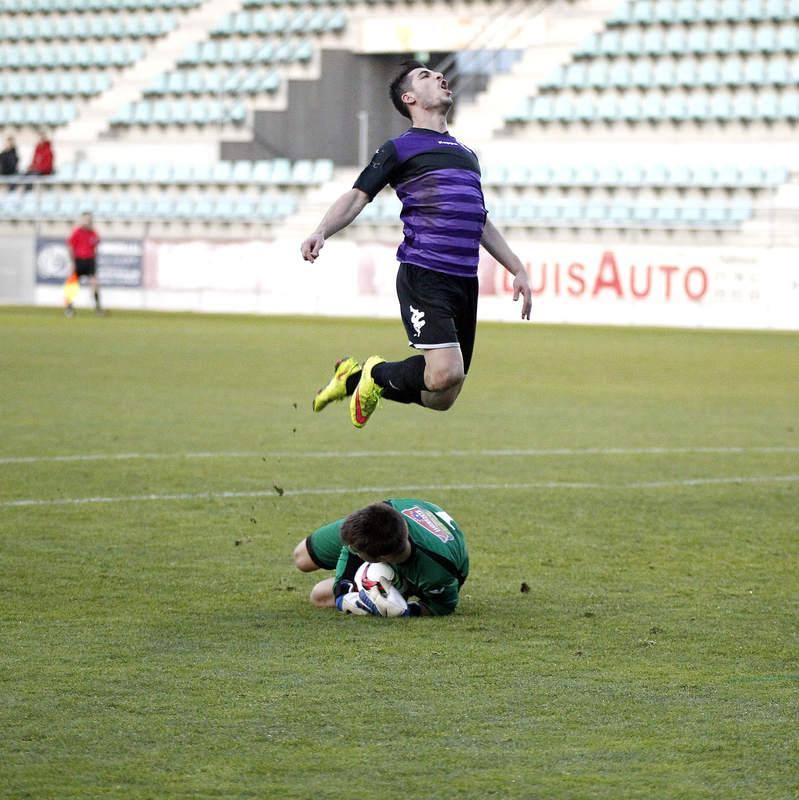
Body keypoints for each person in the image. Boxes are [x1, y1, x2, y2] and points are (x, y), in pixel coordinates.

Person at [301, 60, 532, 429]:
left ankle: (355, 378)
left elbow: (479, 219)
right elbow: (357, 197)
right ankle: (374, 376)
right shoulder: (398, 148)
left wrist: (517, 267)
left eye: (436, 73)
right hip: (425, 272)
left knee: (441, 397)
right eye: (426, 76)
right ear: (409, 98)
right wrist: (321, 231)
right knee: (445, 373)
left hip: (463, 281)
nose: (440, 76)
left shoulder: (465, 154)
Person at [293, 498, 469, 617]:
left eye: (356, 549)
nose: (350, 548)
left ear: (381, 558)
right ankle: (361, 580)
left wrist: (405, 610)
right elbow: (351, 548)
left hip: (430, 561)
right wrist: (342, 590)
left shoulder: (436, 571)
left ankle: (376, 583)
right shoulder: (387, 514)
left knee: (319, 595)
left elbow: (443, 606)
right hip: (390, 516)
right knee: (301, 559)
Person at [65, 211, 103, 317]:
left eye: (90, 219)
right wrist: (72, 261)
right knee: (72, 284)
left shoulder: (93, 233)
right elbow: (70, 246)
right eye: (86, 219)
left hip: (90, 260)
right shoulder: (77, 232)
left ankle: (98, 308)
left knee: (95, 283)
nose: (88, 221)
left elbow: (97, 242)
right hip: (78, 260)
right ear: (82, 219)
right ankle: (69, 308)